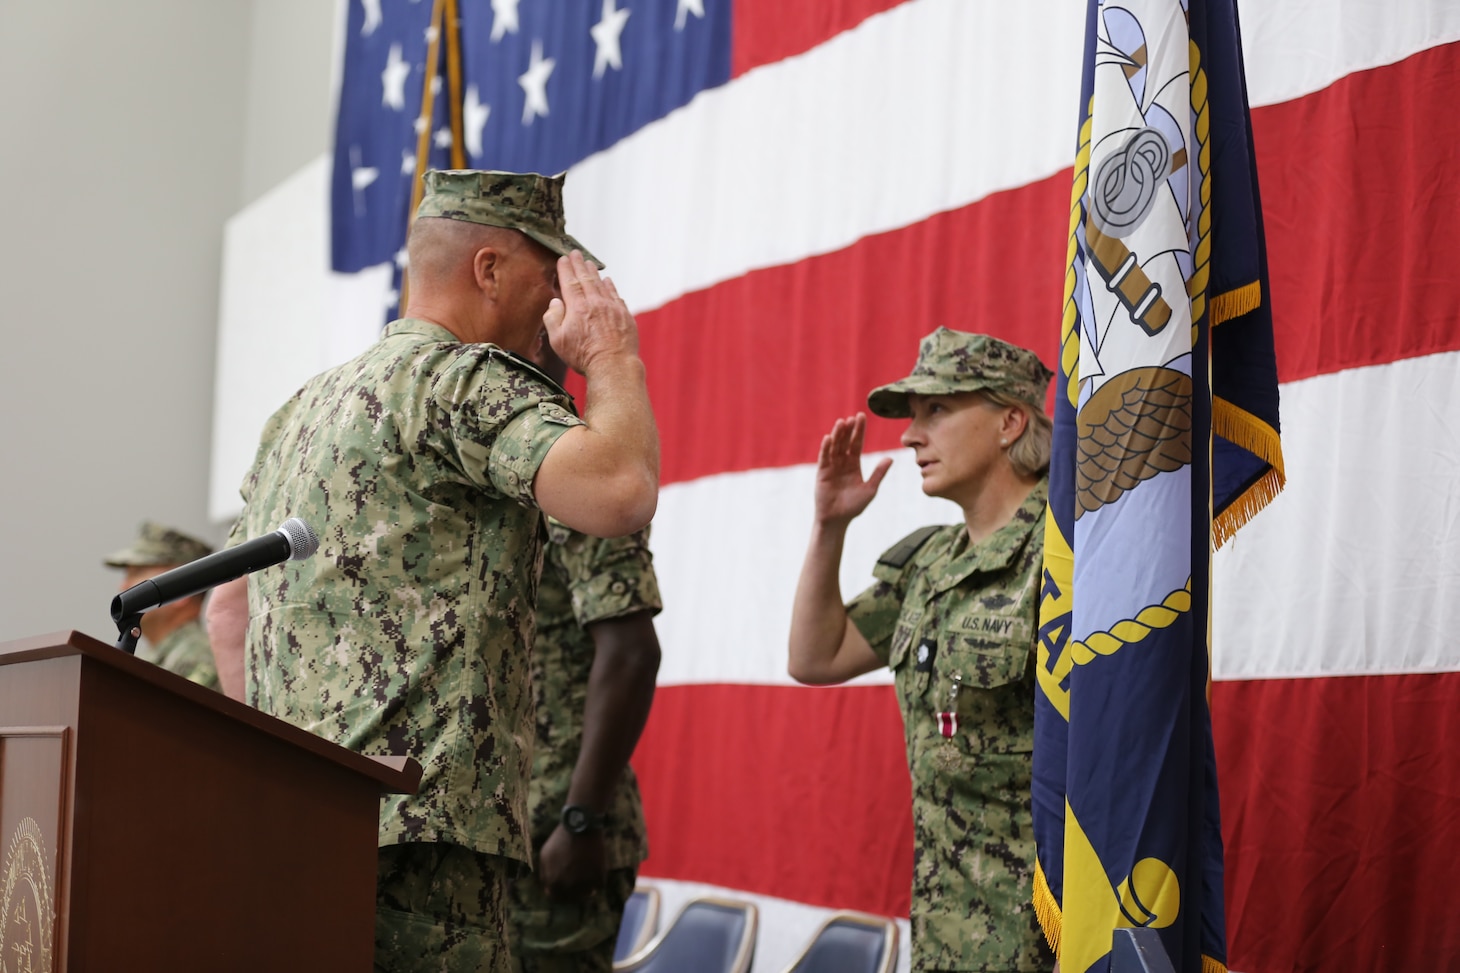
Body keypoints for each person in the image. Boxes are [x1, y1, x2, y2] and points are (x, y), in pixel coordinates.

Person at [206, 169, 659, 973]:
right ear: (488, 270)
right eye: (546, 277)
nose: (553, 312)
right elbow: (620, 490)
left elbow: (228, 615)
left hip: (298, 832)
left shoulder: (300, 412)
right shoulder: (459, 384)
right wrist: (612, 357)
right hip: (426, 849)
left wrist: (279, 779)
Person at [787, 327, 1055, 973]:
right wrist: (830, 525)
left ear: (1010, 421)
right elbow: (815, 658)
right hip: (946, 928)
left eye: (937, 410)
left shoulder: (1065, 557)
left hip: (1046, 933)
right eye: (913, 415)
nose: (910, 435)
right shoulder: (931, 562)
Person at [507, 342, 662, 973]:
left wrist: (580, 819)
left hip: (559, 828)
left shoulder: (571, 463)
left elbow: (630, 652)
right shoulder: (500, 458)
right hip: (507, 821)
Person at [104, 521, 220, 690]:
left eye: (138, 573)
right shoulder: (158, 657)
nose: (123, 587)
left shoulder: (199, 659)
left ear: (181, 588)